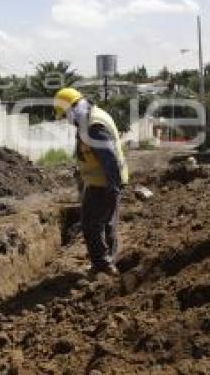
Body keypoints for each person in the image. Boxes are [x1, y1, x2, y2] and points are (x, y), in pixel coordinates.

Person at [54, 87, 129, 277]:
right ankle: (108, 262)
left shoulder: (93, 125)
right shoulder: (91, 118)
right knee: (106, 223)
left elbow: (109, 157)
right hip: (105, 182)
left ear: (73, 108)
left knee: (91, 225)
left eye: (65, 115)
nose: (66, 120)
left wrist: (112, 186)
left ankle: (102, 265)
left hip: (102, 184)